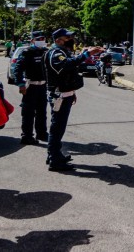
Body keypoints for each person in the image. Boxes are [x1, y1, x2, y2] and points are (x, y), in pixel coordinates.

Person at [43, 28, 101, 171]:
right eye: (66, 38)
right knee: (57, 128)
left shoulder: (61, 52)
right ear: (57, 40)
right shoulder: (55, 53)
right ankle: (54, 161)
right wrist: (87, 54)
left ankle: (54, 155)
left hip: (65, 93)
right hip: (59, 96)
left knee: (59, 128)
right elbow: (66, 65)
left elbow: (69, 70)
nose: (69, 40)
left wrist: (72, 91)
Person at [13, 31, 49, 145]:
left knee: (42, 112)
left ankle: (42, 133)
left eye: (43, 38)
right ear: (32, 40)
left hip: (42, 86)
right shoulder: (27, 52)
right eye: (38, 39)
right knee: (28, 113)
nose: (41, 41)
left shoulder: (45, 51)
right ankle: (27, 136)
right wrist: (20, 84)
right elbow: (18, 69)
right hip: (30, 86)